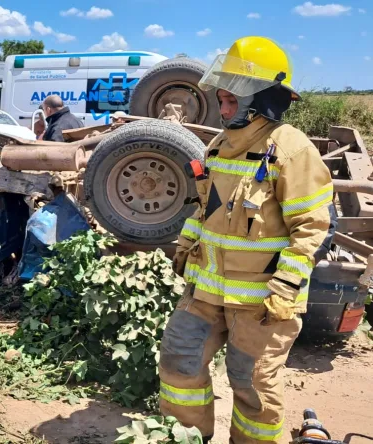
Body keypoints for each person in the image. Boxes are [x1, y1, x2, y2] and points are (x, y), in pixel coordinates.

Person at [160, 36, 336, 444]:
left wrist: (286, 287)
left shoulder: (292, 150)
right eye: (221, 100)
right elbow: (204, 211)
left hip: (262, 303)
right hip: (206, 291)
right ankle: (186, 438)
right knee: (179, 362)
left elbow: (313, 227)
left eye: (231, 101)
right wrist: (185, 249)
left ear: (263, 98)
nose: (223, 110)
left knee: (251, 383)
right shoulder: (219, 146)